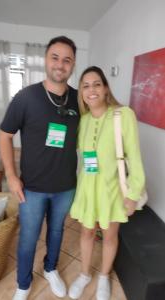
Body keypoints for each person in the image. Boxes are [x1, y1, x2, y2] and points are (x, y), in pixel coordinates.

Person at [0, 36, 79, 300]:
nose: (60, 64)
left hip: (66, 186)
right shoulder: (26, 97)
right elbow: (5, 134)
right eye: (55, 57)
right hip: (31, 187)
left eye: (67, 59)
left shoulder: (79, 101)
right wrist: (11, 175)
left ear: (73, 64)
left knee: (56, 231)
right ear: (46, 60)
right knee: (28, 237)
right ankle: (23, 284)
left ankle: (50, 268)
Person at [68, 66, 145, 300]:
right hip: (87, 189)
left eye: (96, 84)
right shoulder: (83, 120)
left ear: (105, 88)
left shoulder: (123, 115)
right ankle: (84, 274)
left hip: (112, 190)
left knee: (110, 236)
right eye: (85, 85)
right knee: (87, 233)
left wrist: (133, 193)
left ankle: (103, 276)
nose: (91, 90)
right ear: (81, 91)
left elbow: (135, 156)